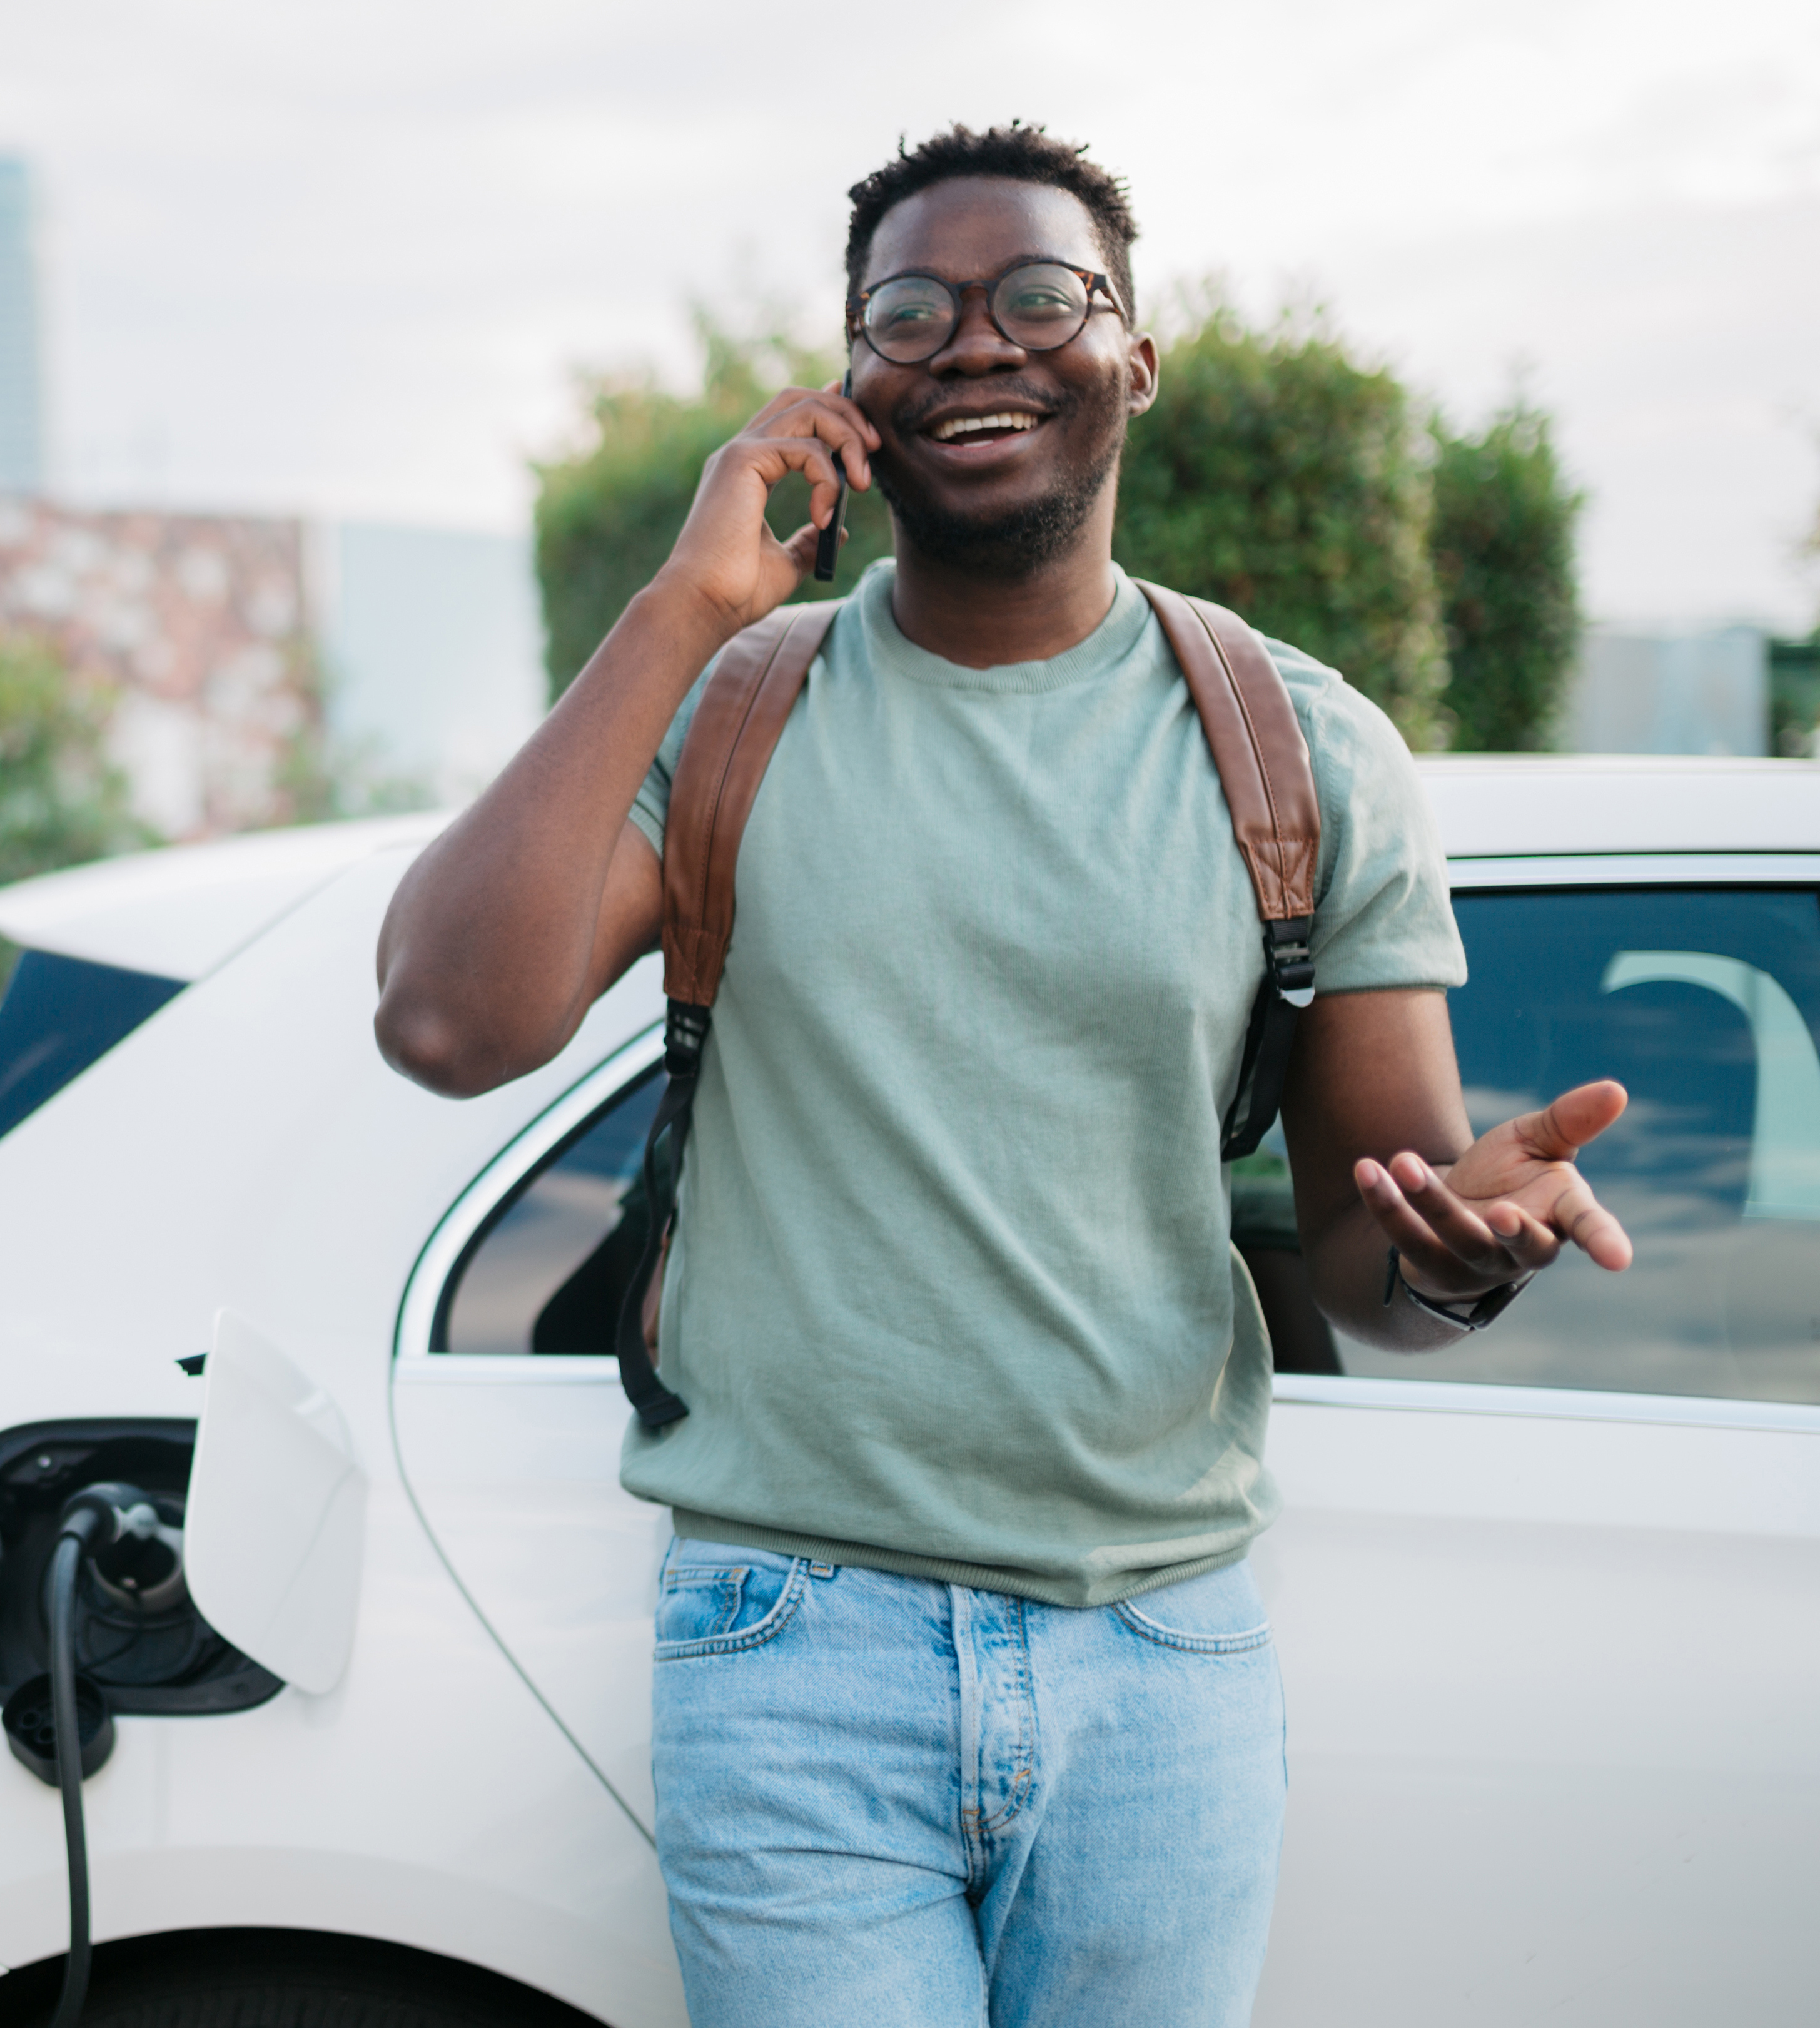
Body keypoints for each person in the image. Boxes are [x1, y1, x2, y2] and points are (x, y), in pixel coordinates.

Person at [370, 124, 1635, 2027]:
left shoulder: (1301, 749)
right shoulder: (732, 708)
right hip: (795, 1642)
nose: (975, 341)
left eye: (1043, 295)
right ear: (848, 388)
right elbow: (446, 1023)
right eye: (910, 309)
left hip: (1164, 1653)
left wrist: (1463, 1248)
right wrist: (682, 606)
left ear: (1136, 355)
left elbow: (1387, 1272)